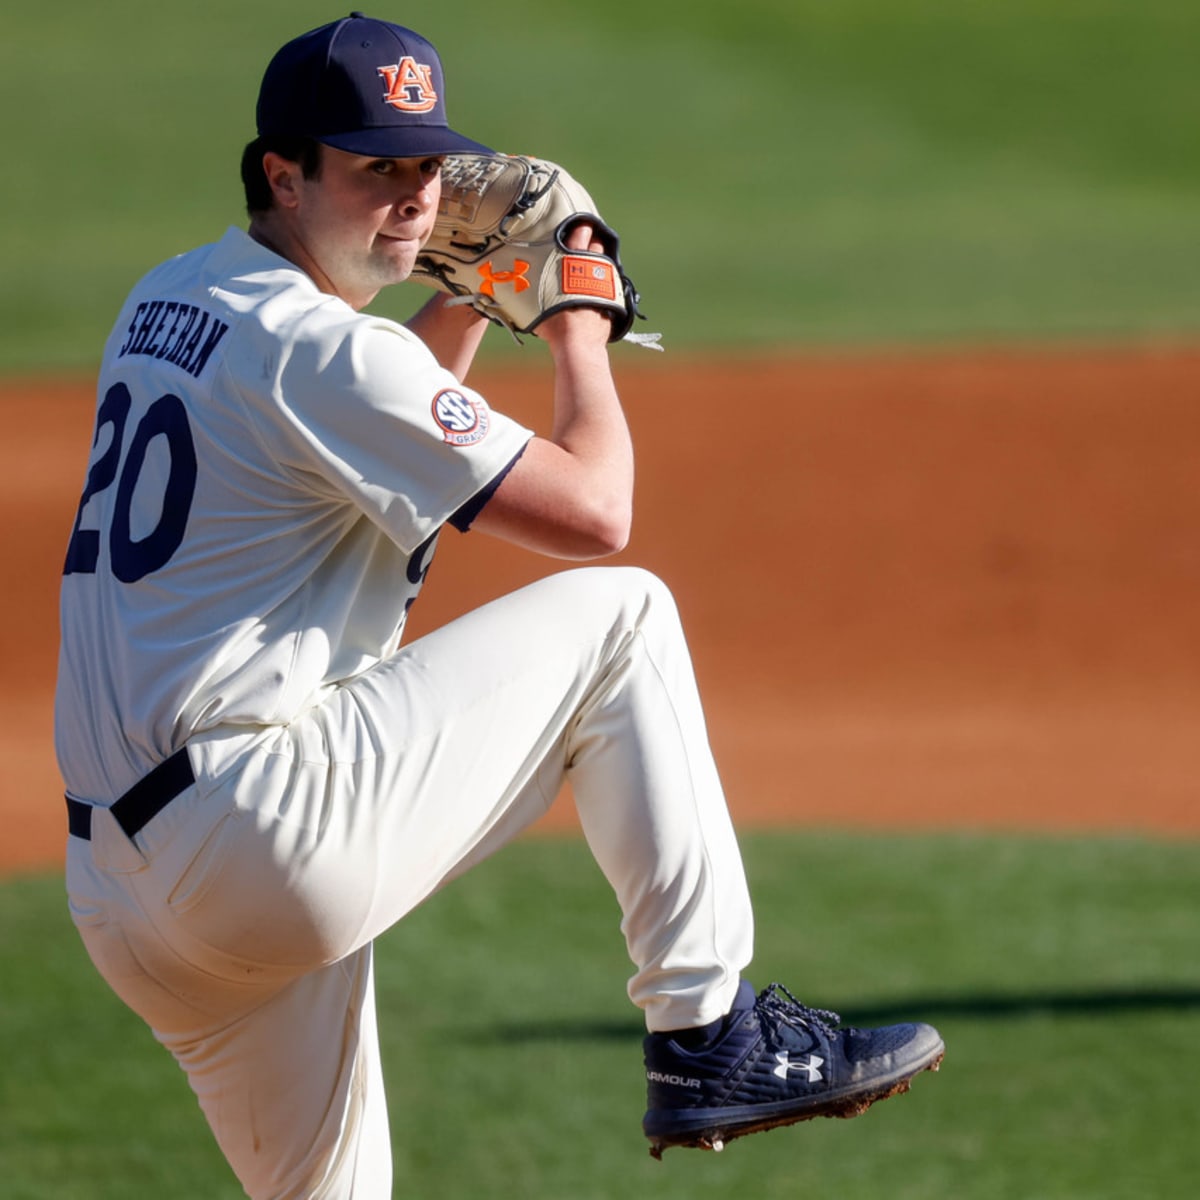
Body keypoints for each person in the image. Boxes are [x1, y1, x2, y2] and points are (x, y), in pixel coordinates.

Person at [56, 13, 943, 1197]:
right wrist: (577, 319)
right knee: (623, 618)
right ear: (284, 172)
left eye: (427, 167)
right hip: (258, 836)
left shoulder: (171, 298)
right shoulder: (324, 355)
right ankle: (706, 1032)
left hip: (125, 902)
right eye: (377, 171)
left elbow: (364, 423)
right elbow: (596, 510)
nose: (416, 201)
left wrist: (471, 296)